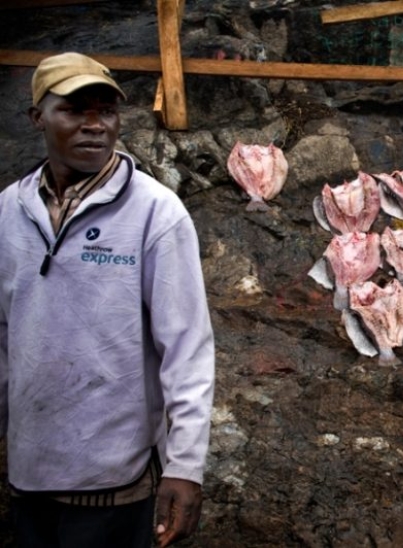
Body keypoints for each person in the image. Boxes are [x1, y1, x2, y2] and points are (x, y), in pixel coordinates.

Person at [0, 52, 215, 547]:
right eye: (74, 111)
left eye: (106, 111)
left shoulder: (156, 214)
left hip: (115, 478)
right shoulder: (11, 210)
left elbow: (187, 350)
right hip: (30, 467)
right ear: (38, 118)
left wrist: (185, 467)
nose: (95, 126)